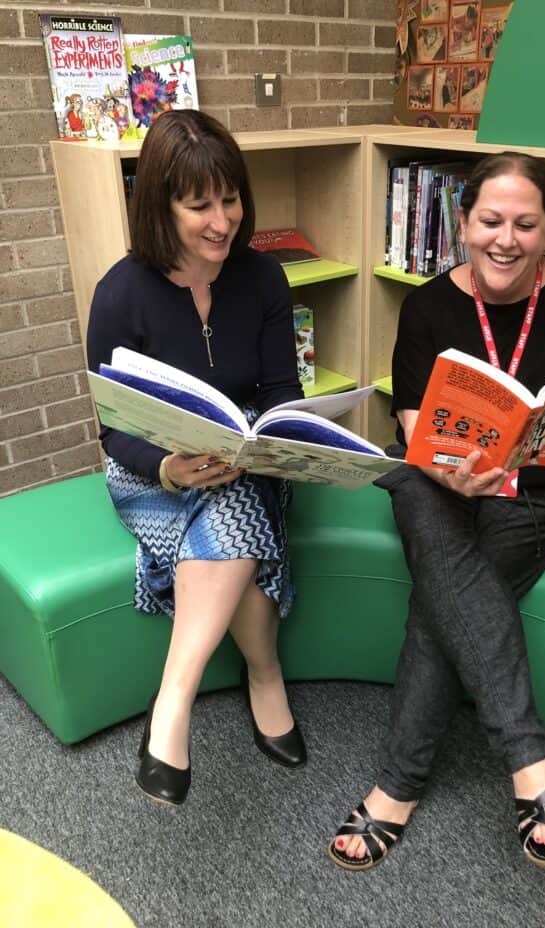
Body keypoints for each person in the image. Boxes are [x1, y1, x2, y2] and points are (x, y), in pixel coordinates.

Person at [328, 151, 545, 870]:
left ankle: (396, 788)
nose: (506, 239)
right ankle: (532, 764)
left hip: (539, 495)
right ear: (462, 222)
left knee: (443, 607)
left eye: (526, 224)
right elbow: (413, 416)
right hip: (445, 488)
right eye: (490, 220)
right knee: (407, 482)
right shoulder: (430, 305)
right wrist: (448, 469)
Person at [86, 110, 307, 807]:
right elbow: (114, 428)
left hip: (247, 465)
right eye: (199, 205)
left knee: (236, 496)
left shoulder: (264, 278)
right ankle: (252, 678)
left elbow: (282, 391)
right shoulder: (120, 292)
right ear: (161, 205)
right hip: (152, 476)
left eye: (231, 198)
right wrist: (168, 467)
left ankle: (170, 706)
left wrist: (263, 442)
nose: (222, 221)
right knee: (230, 513)